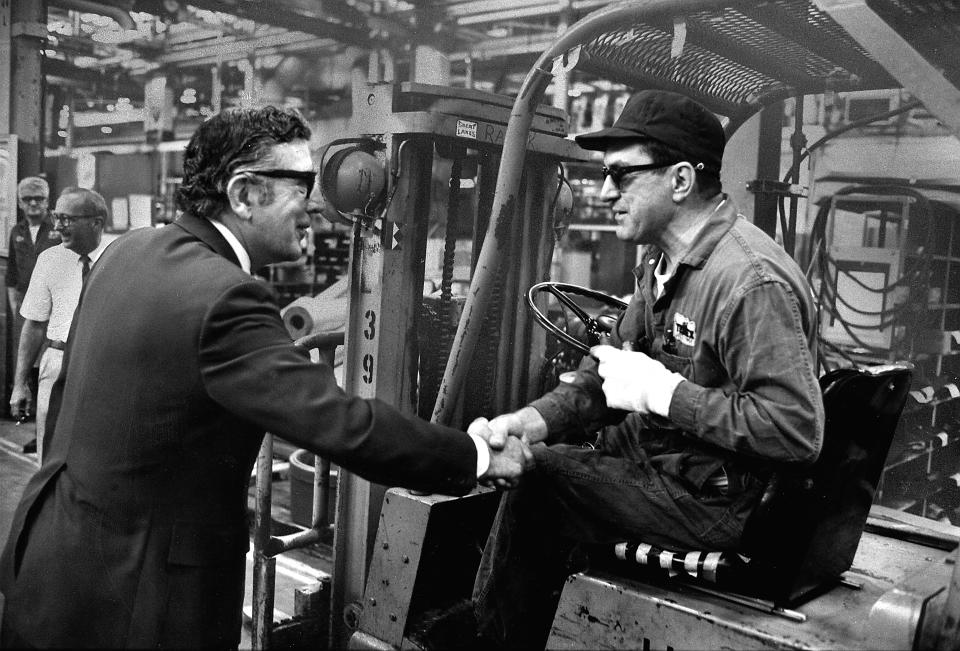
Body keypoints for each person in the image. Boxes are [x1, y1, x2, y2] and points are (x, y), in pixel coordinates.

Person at [0, 105, 530, 649]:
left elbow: (69, 398)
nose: (317, 208)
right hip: (141, 601)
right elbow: (340, 423)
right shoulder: (225, 295)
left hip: (52, 562)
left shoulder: (125, 252)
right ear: (245, 193)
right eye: (301, 186)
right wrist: (477, 456)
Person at [452, 90, 826, 650]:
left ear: (679, 181)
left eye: (622, 176)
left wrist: (666, 394)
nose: (606, 193)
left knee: (539, 483)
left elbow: (796, 431)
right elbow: (605, 375)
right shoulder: (663, 263)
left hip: (718, 504)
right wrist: (524, 423)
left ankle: (489, 642)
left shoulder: (747, 282)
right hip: (669, 470)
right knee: (538, 455)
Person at [8, 187, 109, 463]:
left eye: (66, 219)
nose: (57, 225)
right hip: (56, 361)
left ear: (96, 222)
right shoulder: (50, 260)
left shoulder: (118, 258)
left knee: (95, 454)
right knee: (48, 454)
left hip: (101, 367)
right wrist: (20, 384)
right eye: (57, 217)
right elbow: (35, 325)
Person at [5, 176, 61, 318]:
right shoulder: (16, 231)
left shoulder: (59, 227)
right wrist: (14, 305)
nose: (33, 202)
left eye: (39, 198)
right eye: (27, 199)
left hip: (54, 303)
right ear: (20, 203)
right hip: (25, 303)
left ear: (47, 201)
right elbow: (11, 273)